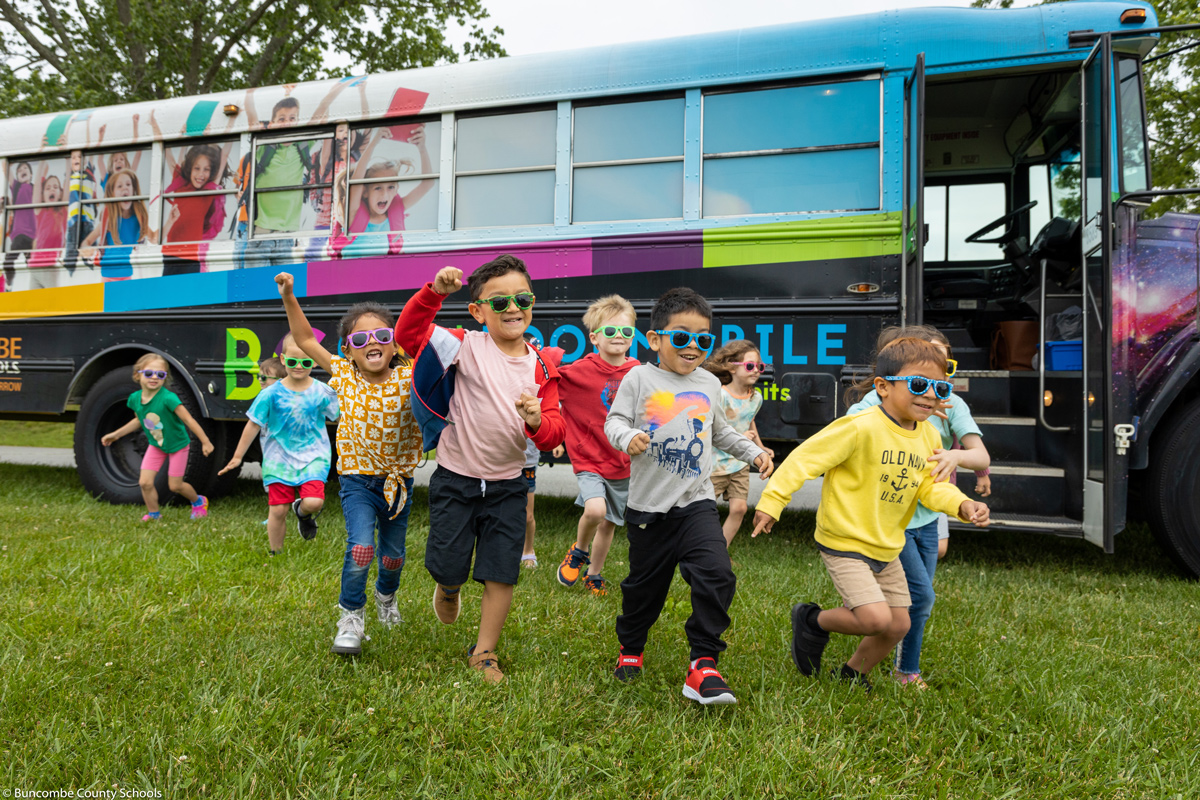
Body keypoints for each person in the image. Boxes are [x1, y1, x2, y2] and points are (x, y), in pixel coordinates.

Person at [751, 337, 991, 692]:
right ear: (883, 387)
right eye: (919, 384)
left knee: (898, 624)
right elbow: (804, 460)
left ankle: (851, 673)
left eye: (939, 387)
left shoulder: (926, 436)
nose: (930, 395)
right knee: (875, 618)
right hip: (845, 539)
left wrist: (960, 504)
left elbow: (928, 486)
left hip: (886, 544)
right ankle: (813, 621)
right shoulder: (861, 426)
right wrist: (772, 503)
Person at [394, 256, 566, 684]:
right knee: (448, 563)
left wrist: (536, 422)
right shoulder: (464, 344)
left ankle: (484, 652)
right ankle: (448, 587)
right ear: (478, 311)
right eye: (501, 300)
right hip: (456, 478)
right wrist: (434, 293)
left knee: (500, 570)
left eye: (522, 298)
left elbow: (554, 432)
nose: (513, 307)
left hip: (510, 484)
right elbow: (408, 336)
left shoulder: (542, 365)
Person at [604, 287, 773, 706]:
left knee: (717, 574)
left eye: (703, 338)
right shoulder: (639, 378)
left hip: (696, 503)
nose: (693, 346)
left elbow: (719, 431)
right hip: (648, 509)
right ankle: (631, 648)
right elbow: (614, 421)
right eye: (681, 337)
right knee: (644, 592)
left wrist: (753, 451)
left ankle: (703, 663)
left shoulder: (708, 383)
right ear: (655, 339)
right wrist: (629, 437)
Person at [276, 271, 423, 656]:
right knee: (362, 549)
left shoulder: (409, 377)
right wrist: (290, 296)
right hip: (358, 481)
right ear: (349, 348)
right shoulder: (344, 374)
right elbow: (306, 339)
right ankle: (351, 618)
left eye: (381, 337)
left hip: (399, 482)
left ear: (394, 345)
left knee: (393, 557)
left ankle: (386, 600)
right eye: (360, 339)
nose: (371, 343)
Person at [844, 325, 992, 689]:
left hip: (929, 516)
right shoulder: (876, 404)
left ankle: (880, 661)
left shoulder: (952, 402)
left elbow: (980, 454)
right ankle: (903, 669)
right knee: (921, 597)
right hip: (892, 519)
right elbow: (847, 431)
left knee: (915, 600)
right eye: (920, 376)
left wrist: (954, 455)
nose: (932, 386)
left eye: (942, 375)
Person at [219, 336, 340, 556]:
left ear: (314, 361)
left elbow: (344, 416)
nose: (299, 367)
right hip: (278, 459)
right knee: (277, 510)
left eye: (305, 362)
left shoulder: (323, 391)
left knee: (314, 502)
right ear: (283, 360)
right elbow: (253, 424)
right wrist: (237, 457)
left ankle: (302, 513)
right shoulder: (270, 394)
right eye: (293, 362)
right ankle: (276, 553)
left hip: (314, 456)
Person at [554, 295, 640, 597]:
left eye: (626, 332)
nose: (619, 337)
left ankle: (594, 574)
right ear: (594, 337)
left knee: (609, 525)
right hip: (589, 460)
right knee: (595, 510)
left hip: (623, 463)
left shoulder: (639, 372)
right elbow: (547, 382)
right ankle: (578, 551)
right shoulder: (579, 371)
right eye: (611, 331)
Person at [100, 353, 214, 521]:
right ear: (137, 375)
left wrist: (205, 441)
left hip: (178, 445)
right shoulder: (134, 399)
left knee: (175, 486)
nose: (154, 377)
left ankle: (198, 501)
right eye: (149, 373)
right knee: (145, 483)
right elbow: (139, 420)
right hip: (156, 445)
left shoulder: (168, 398)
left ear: (165, 378)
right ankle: (154, 514)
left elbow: (188, 419)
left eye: (160, 374)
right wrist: (116, 435)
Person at [703, 339, 774, 546]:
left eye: (759, 366)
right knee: (703, 509)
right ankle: (696, 547)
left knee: (740, 508)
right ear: (731, 368)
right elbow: (713, 428)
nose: (756, 371)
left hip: (739, 464)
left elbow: (749, 421)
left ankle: (720, 553)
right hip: (716, 464)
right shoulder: (721, 395)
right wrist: (739, 438)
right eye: (750, 366)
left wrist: (759, 448)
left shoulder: (755, 398)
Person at [81, 169, 155, 282]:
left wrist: (169, 221)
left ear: (133, 190)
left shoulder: (138, 219)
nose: (125, 187)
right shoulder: (109, 221)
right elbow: (86, 242)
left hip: (126, 273)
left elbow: (154, 238)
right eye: (119, 186)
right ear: (113, 193)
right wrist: (87, 249)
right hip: (108, 275)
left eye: (128, 184)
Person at [28, 161, 67, 289]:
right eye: (48, 188)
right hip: (35, 265)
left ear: (60, 194)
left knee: (51, 304)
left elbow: (67, 186)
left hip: (50, 265)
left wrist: (68, 161)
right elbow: (37, 186)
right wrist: (41, 162)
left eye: (55, 187)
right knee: (34, 306)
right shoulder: (40, 211)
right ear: (43, 195)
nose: (52, 189)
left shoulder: (63, 211)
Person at [521, 438, 540, 569]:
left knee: (528, 516)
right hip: (502, 459)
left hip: (528, 461)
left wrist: (558, 444)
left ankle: (528, 551)